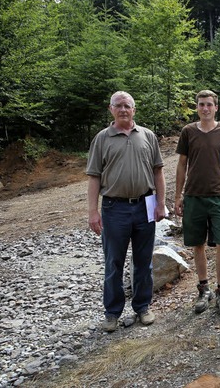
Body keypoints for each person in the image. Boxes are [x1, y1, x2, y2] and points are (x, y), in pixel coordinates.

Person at [87, 91, 166, 332]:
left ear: (134, 110)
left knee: (144, 262)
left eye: (127, 106)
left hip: (145, 206)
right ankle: (112, 313)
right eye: (118, 106)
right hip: (114, 208)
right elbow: (94, 177)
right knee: (113, 262)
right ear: (111, 110)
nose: (123, 110)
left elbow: (158, 172)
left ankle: (142, 307)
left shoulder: (148, 136)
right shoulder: (102, 139)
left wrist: (161, 204)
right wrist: (93, 211)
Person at [175, 90, 220, 316]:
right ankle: (204, 289)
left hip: (219, 196)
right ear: (197, 107)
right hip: (193, 196)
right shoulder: (188, 131)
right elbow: (181, 164)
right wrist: (178, 195)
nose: (205, 108)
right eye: (201, 104)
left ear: (216, 107)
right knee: (197, 244)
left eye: (209, 104)